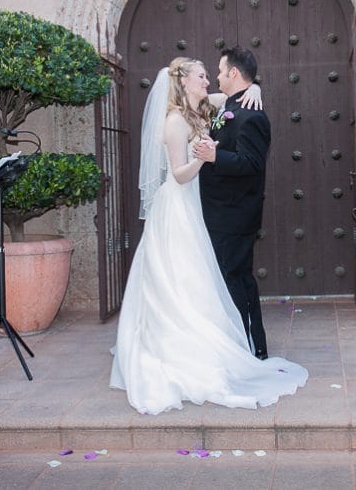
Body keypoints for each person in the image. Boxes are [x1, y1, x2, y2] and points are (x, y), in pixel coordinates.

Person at [110, 57, 307, 415]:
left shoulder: (204, 106)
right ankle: (179, 347)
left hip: (201, 209)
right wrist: (205, 158)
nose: (209, 80)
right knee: (181, 279)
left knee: (202, 278)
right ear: (184, 82)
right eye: (202, 76)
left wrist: (256, 86)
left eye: (213, 73)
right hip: (179, 205)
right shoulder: (173, 120)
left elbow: (235, 94)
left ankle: (224, 342)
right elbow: (180, 174)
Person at [192, 47, 270, 358]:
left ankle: (253, 346)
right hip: (218, 212)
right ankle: (240, 343)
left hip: (234, 216)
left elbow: (253, 164)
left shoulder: (252, 115)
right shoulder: (231, 105)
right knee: (229, 279)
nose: (217, 77)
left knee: (237, 280)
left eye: (222, 71)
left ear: (234, 74)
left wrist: (215, 156)